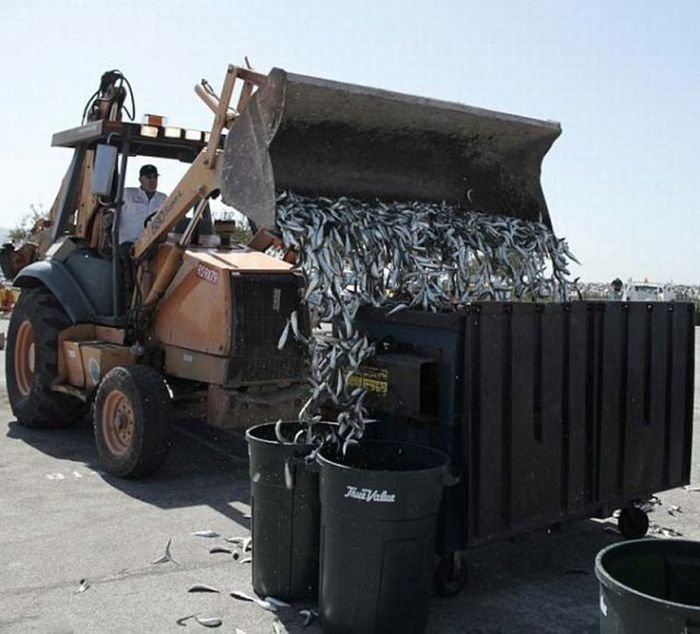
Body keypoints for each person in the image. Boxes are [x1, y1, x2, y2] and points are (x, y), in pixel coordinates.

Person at [118, 164, 167, 244]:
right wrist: (110, 215)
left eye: (155, 177)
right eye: (149, 177)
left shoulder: (163, 199)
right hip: (128, 242)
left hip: (152, 244)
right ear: (140, 179)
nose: (152, 180)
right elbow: (113, 209)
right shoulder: (127, 193)